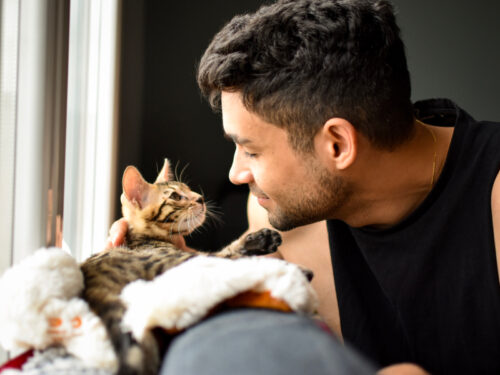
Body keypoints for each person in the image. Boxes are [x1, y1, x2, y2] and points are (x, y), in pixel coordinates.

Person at [109, 0, 500, 373]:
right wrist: (178, 267)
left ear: (337, 144)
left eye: (250, 150)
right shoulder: (273, 216)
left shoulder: (493, 200)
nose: (235, 174)